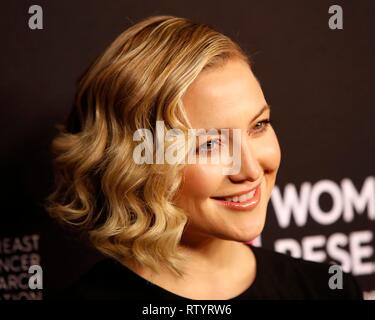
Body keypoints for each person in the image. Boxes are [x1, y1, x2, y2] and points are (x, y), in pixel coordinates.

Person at [46, 15, 363, 300]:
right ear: (136, 160)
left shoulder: (326, 289)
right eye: (209, 144)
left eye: (259, 125)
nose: (250, 170)